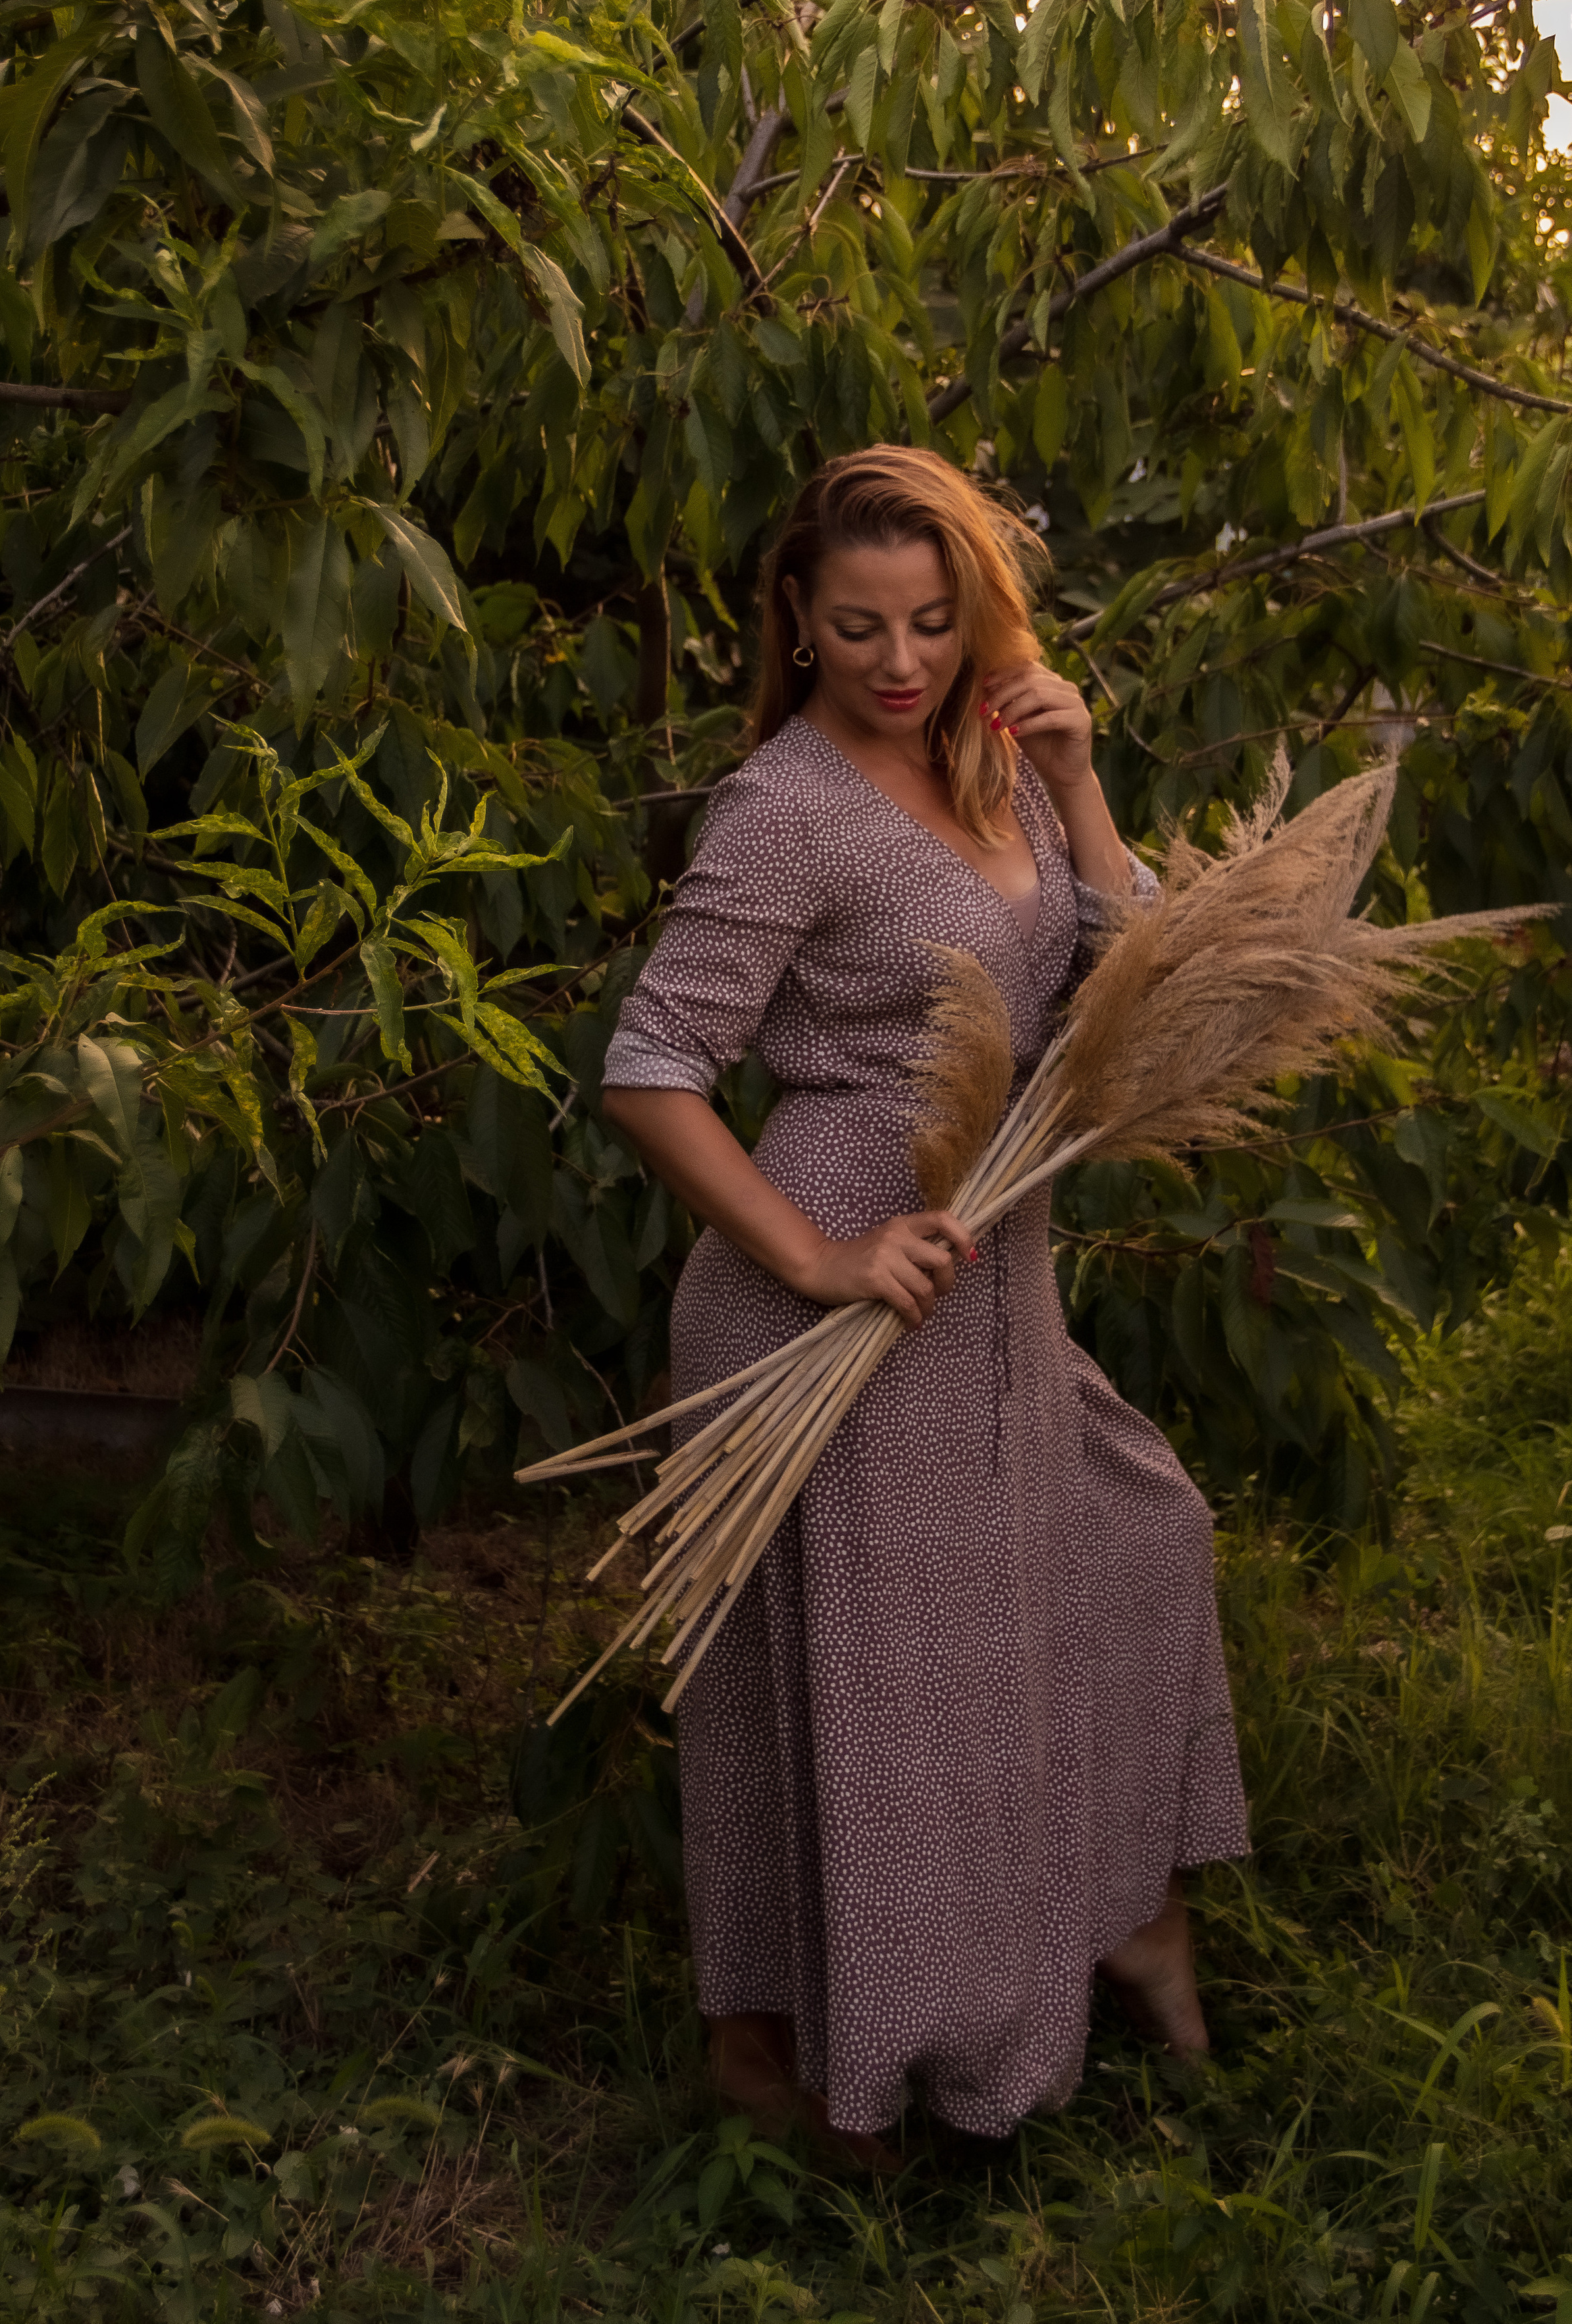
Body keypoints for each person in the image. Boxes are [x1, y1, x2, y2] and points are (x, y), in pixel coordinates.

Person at [599, 446, 1247, 2163]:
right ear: (798, 627)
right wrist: (813, 1261)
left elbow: (1135, 982)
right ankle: (847, 2061)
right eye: (862, 627)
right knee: (900, 1698)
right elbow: (652, 1065)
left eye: (935, 625)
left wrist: (1085, 775)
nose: (901, 662)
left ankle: (1110, 1918)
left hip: (991, 1273)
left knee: (1139, 1533)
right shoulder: (784, 809)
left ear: (980, 624)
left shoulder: (1008, 766)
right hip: (841, 1283)